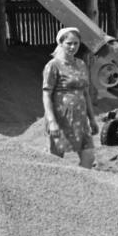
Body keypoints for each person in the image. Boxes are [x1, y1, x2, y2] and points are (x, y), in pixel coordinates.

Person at [42, 27, 99, 169]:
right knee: (56, 159)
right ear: (61, 44)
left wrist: (92, 119)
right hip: (61, 117)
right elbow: (46, 94)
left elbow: (85, 93)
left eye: (76, 43)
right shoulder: (53, 65)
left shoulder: (81, 64)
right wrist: (52, 121)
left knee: (89, 157)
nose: (73, 47)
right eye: (69, 43)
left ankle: (81, 185)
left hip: (80, 118)